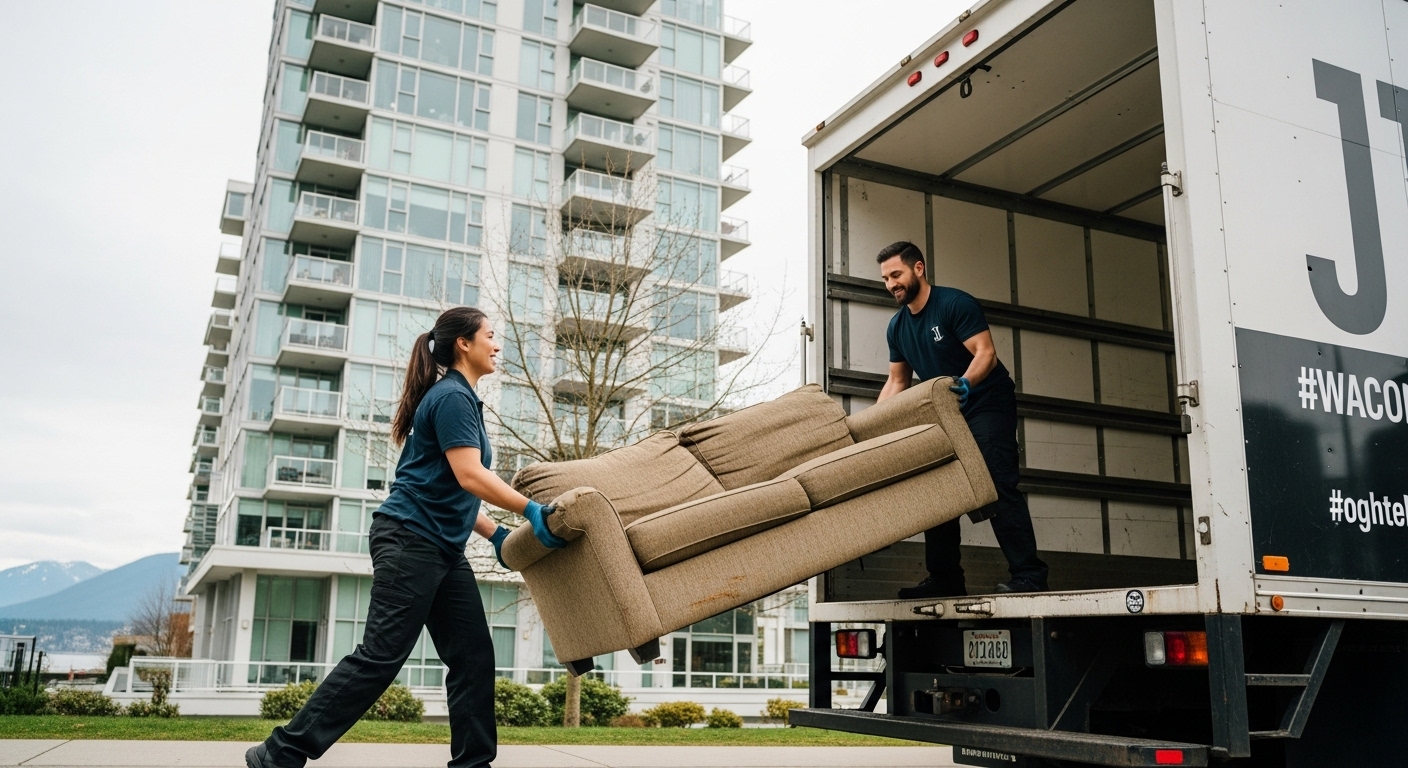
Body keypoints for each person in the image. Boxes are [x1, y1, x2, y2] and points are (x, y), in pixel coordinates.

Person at [246, 307, 567, 768]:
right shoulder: (452, 397)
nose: (497, 346)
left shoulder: (461, 398)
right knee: (381, 656)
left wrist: (497, 535)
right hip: (410, 540)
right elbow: (470, 474)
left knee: (473, 655)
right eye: (491, 336)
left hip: (439, 545)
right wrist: (530, 510)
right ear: (464, 343)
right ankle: (279, 754)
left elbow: (454, 485)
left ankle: (473, 764)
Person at [876, 241, 1049, 597]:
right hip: (946, 413)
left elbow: (985, 352)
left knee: (996, 483)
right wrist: (873, 426)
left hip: (986, 400)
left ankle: (1029, 576)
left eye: (896, 274)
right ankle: (945, 580)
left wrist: (966, 383)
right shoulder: (897, 328)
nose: (891, 283)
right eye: (885, 278)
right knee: (940, 492)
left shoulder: (954, 304)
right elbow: (897, 381)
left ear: (918, 269)